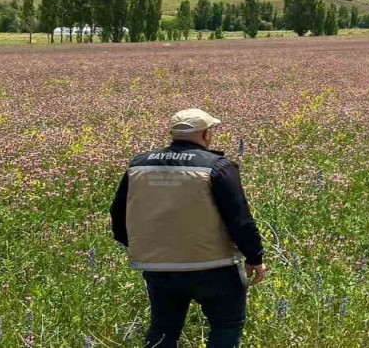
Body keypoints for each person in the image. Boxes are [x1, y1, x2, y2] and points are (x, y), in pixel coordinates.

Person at [110, 108, 266, 348]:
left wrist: (141, 246)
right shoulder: (217, 166)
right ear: (205, 134)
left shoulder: (138, 165)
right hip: (214, 265)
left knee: (162, 330)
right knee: (225, 327)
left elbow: (118, 213)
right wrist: (255, 256)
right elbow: (239, 218)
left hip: (159, 266)